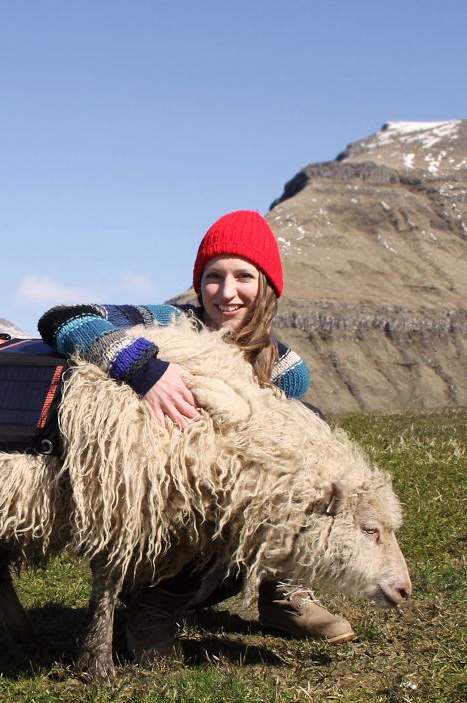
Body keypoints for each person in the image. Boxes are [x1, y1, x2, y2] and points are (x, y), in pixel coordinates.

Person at [38, 209, 356, 661]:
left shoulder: (283, 369)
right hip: (160, 515)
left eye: (243, 276)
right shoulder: (168, 322)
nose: (227, 293)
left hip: (227, 536)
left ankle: (282, 592)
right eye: (213, 277)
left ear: (267, 285)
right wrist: (143, 369)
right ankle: (154, 607)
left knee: (303, 449)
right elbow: (65, 318)